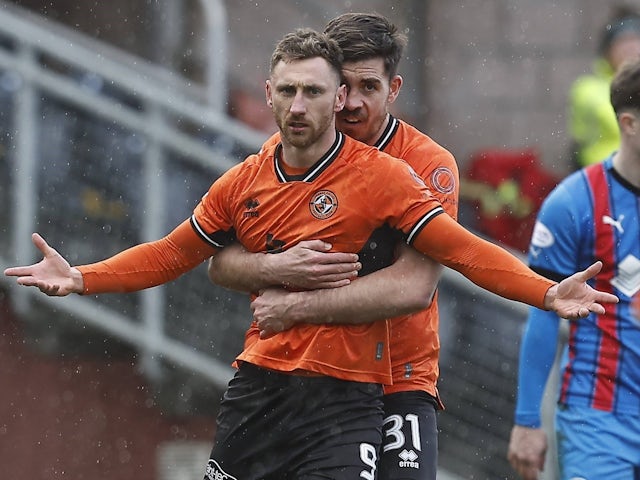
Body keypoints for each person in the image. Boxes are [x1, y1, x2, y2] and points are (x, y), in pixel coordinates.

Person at [5, 28, 616, 480]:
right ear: (272, 95)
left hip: (383, 380)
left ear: (389, 90)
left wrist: (544, 288)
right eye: (305, 92)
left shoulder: (402, 172)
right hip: (265, 381)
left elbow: (440, 267)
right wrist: (84, 278)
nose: (342, 105)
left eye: (354, 90)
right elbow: (187, 254)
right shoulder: (246, 179)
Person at [207, 12, 459, 480]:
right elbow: (221, 263)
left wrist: (298, 306)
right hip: (304, 373)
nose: (354, 104)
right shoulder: (289, 153)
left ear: (394, 88)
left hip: (401, 377)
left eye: (370, 87)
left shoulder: (428, 164)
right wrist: (274, 266)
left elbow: (415, 287)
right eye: (345, 87)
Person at [507, 58, 640, 480]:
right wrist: (528, 421)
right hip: (598, 416)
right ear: (630, 124)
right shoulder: (574, 204)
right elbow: (544, 314)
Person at [568, 6, 640, 170]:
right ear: (607, 51)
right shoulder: (587, 89)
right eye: (622, 43)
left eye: (636, 42)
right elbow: (613, 120)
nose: (630, 50)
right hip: (603, 175)